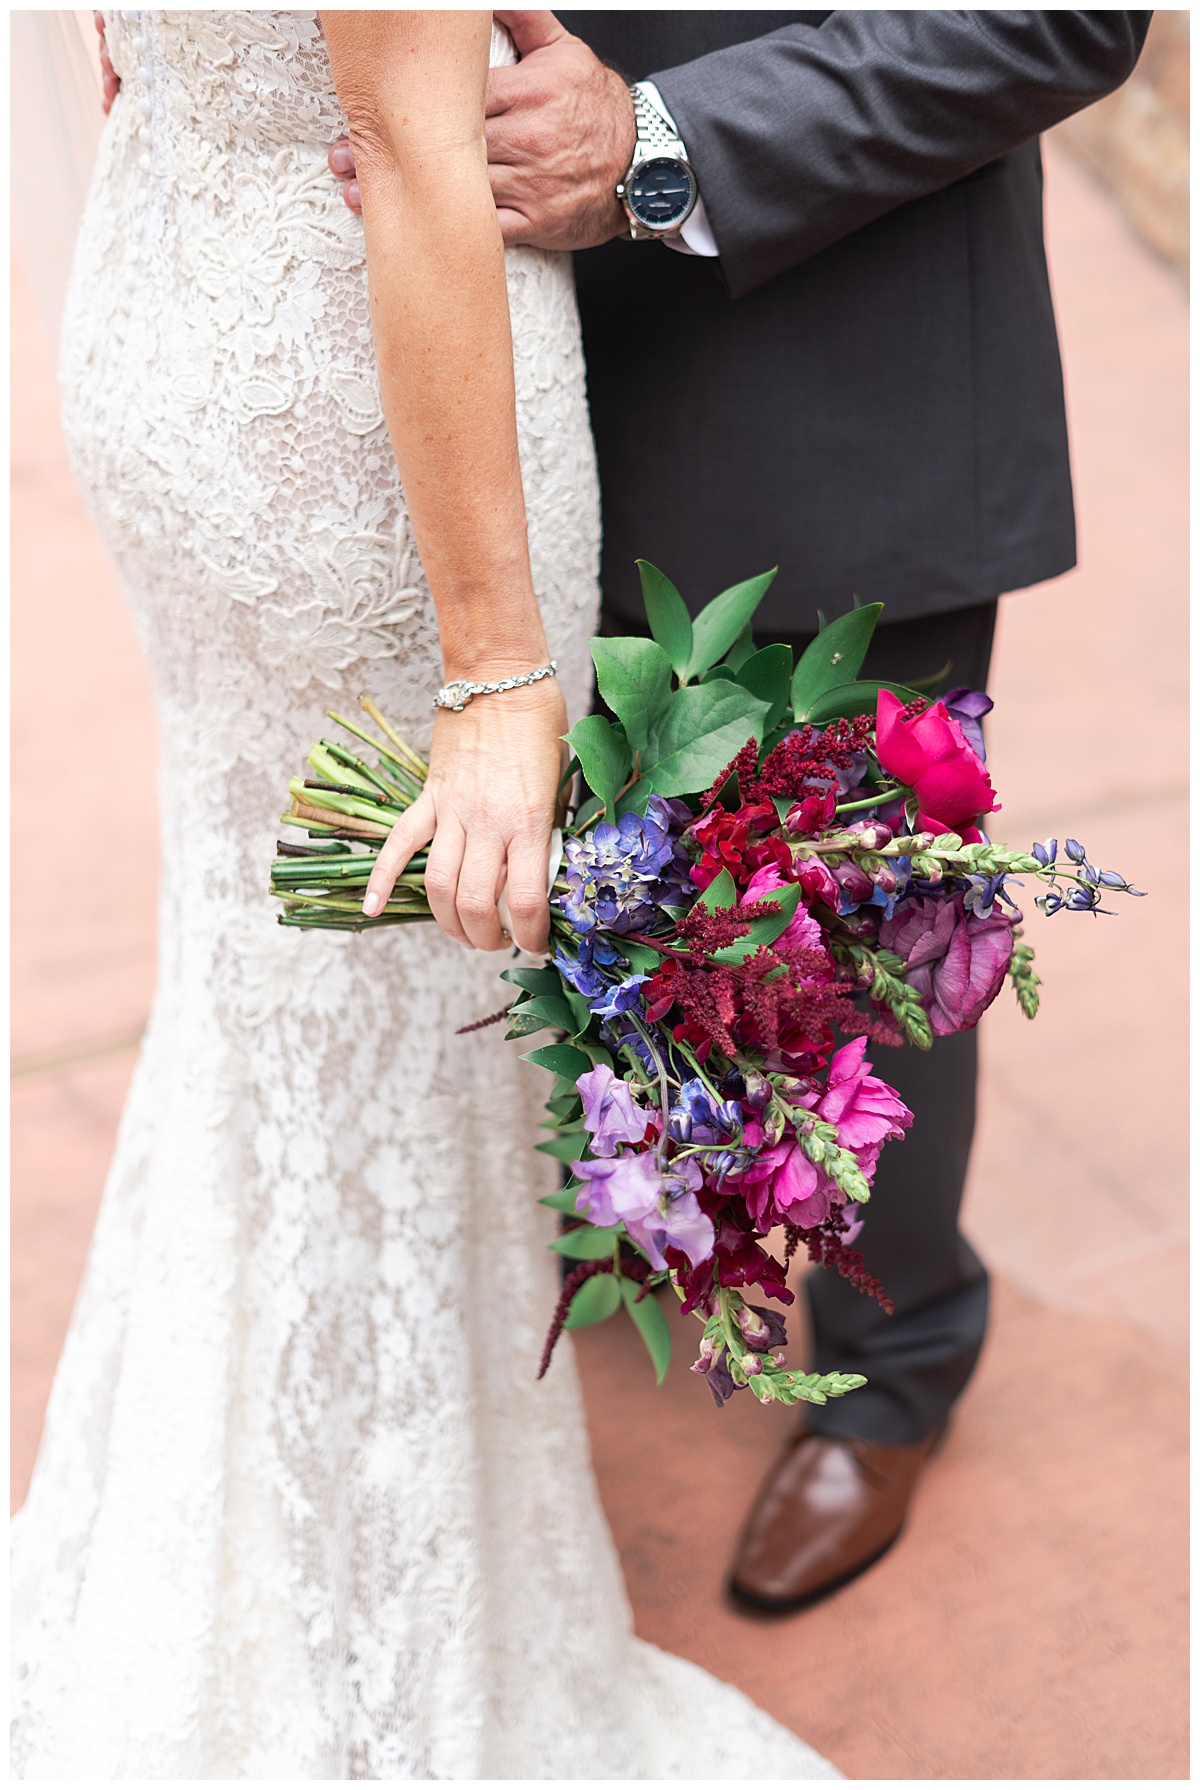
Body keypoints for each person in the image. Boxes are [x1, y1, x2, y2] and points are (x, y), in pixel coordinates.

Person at [10, 13, 838, 1777]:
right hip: (351, 403)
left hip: (180, 282)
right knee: (386, 1003)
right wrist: (494, 674)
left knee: (272, 983)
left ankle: (243, 1529)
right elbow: (406, 150)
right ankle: (363, 1625)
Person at [328, 8, 1151, 1613]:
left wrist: (660, 144)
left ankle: (897, 1346)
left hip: (829, 343)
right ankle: (642, 1214)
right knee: (563, 895)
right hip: (465, 362)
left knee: (863, 929)